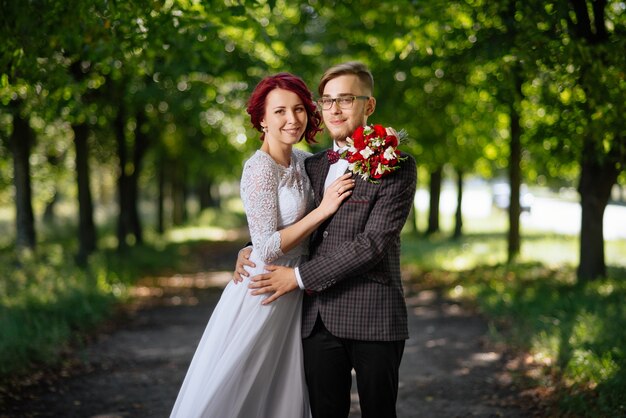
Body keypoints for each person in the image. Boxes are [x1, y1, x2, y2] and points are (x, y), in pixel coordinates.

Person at [235, 62, 417, 418]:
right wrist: (248, 248)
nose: (334, 109)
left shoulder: (396, 165)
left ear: (369, 105)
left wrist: (298, 277)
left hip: (373, 314)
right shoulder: (310, 166)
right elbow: (280, 217)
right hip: (314, 320)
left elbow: (373, 244)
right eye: (327, 100)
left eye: (345, 99)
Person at [170, 72, 355, 418]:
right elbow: (268, 246)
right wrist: (323, 210)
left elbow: (276, 230)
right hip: (264, 288)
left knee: (281, 389)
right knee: (240, 384)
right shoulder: (258, 169)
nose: (292, 119)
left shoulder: (305, 161)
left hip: (296, 289)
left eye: (299, 109)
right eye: (280, 111)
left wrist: (248, 244)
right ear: (262, 120)